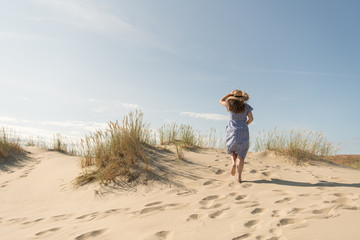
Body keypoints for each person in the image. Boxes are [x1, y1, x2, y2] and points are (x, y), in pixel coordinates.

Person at [220, 90, 254, 183]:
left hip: (232, 130)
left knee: (232, 150)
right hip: (243, 130)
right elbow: (251, 119)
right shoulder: (246, 107)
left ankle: (233, 163)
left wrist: (229, 94)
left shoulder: (229, 105)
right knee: (241, 155)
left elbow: (221, 100)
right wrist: (245, 124)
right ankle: (239, 177)